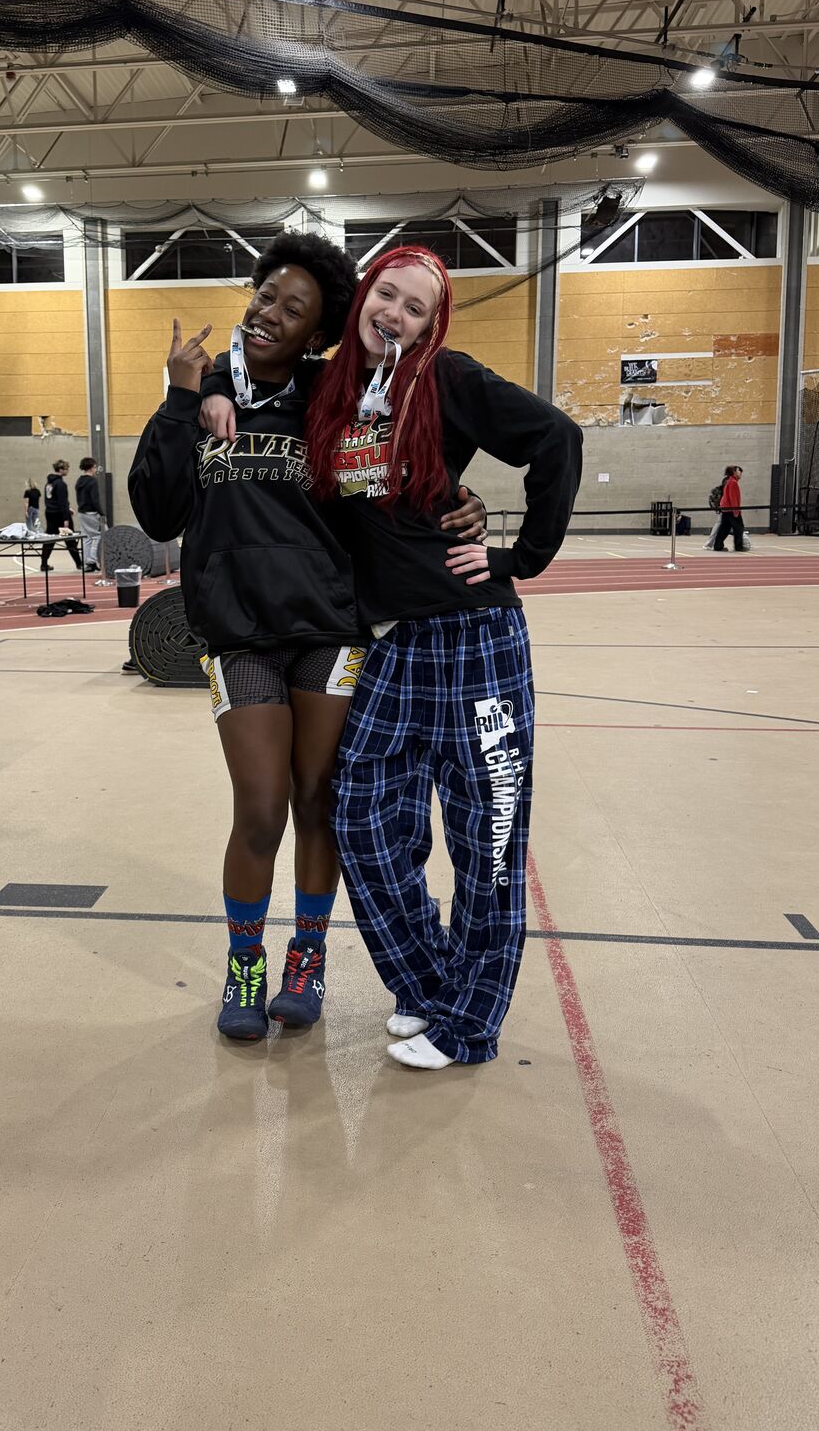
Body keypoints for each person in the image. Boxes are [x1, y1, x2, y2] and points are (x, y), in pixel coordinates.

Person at [129, 231, 488, 1044]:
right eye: (265, 297)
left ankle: (309, 958)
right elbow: (155, 511)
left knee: (317, 802)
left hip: (329, 630)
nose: (270, 315)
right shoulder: (205, 393)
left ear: (318, 334)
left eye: (295, 310)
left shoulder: (335, 397)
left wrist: (466, 503)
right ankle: (246, 963)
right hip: (239, 636)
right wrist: (184, 396)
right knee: (258, 809)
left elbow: (401, 464)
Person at [298, 245, 582, 1072]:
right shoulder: (330, 392)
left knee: (484, 841)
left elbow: (555, 438)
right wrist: (205, 390)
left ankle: (469, 1026)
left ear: (433, 324)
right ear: (362, 298)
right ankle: (428, 983)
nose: (396, 313)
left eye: (416, 307)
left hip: (475, 641)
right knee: (361, 819)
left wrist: (516, 558)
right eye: (387, 294)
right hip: (391, 645)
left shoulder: (447, 380)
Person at [40, 459, 84, 573]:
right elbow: (62, 502)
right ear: (61, 470)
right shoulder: (60, 484)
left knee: (49, 539)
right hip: (60, 515)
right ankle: (79, 563)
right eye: (66, 468)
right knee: (70, 539)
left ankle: (43, 563)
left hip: (50, 513)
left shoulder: (49, 483)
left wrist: (67, 508)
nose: (68, 470)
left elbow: (52, 499)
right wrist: (65, 517)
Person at [73, 456, 105, 571]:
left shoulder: (79, 481)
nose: (96, 470)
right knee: (97, 536)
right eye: (95, 467)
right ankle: (92, 560)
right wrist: (102, 513)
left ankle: (86, 562)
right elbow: (95, 499)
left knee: (86, 537)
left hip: (82, 512)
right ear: (91, 468)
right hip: (91, 512)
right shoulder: (92, 481)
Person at [712, 464, 746, 552]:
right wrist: (736, 512)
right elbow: (733, 498)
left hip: (726, 509)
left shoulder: (730, 481)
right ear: (733, 472)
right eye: (738, 471)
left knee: (724, 528)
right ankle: (739, 547)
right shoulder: (733, 482)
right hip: (731, 509)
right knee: (739, 528)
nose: (740, 473)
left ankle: (718, 546)